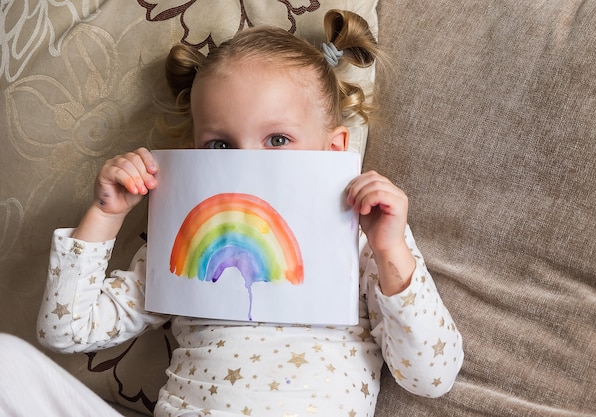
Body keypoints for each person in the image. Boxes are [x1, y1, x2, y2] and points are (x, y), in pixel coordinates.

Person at [28, 9, 463, 417]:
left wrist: (390, 251)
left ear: (334, 149)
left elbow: (431, 377)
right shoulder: (183, 235)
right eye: (220, 145)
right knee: (10, 362)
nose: (246, 165)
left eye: (277, 140)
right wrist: (107, 214)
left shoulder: (367, 235)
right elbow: (67, 331)